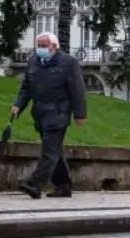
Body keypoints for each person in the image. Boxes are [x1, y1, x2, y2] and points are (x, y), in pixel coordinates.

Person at [12, 32, 88, 199]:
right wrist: (18, 105)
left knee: (49, 150)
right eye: (38, 45)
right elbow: (26, 87)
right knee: (55, 150)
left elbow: (78, 90)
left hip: (58, 112)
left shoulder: (68, 63)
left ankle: (35, 185)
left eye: (44, 45)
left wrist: (80, 114)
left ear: (54, 46)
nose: (40, 49)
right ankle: (63, 186)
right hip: (40, 113)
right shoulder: (33, 62)